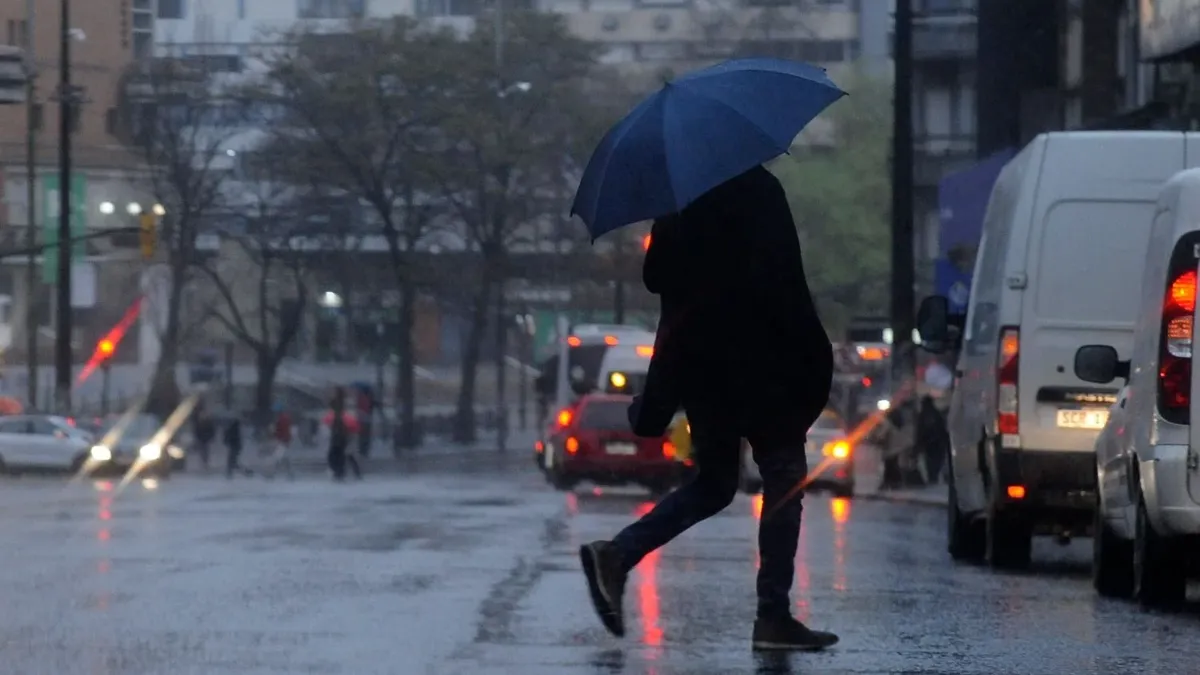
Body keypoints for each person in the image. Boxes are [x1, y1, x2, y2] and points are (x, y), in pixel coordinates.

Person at [578, 166, 839, 651]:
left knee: (715, 484)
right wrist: (812, 362)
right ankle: (773, 618)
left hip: (706, 375)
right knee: (783, 479)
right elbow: (784, 284)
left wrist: (660, 397)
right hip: (766, 367)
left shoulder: (678, 208)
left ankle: (618, 554)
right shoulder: (758, 189)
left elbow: (667, 297)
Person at [916, 394, 948, 485]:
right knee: (936, 462)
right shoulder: (936, 413)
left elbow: (920, 430)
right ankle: (933, 478)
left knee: (931, 462)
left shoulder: (924, 415)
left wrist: (919, 444)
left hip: (930, 443)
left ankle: (932, 478)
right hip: (936, 442)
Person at [267, 404, 295, 481]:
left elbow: (282, 431)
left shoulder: (282, 419)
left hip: (283, 441)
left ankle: (271, 474)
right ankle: (290, 474)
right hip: (284, 441)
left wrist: (276, 435)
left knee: (277, 457)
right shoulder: (283, 418)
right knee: (283, 458)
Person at [192, 403, 216, 470]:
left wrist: (211, 436)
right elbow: (197, 430)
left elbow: (211, 430)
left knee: (205, 450)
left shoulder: (205, 422)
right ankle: (204, 463)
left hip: (205, 438)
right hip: (203, 438)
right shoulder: (201, 422)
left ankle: (204, 463)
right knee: (203, 450)